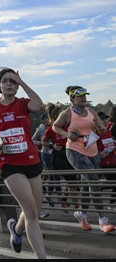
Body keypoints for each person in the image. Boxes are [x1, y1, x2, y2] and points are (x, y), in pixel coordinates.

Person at [0, 69, 47, 258]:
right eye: (6, 81)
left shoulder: (23, 104)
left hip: (31, 159)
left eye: (13, 82)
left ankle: (16, 231)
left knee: (35, 211)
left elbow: (39, 105)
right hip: (9, 163)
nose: (10, 84)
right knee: (32, 214)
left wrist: (22, 81)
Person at [52, 86, 114, 233]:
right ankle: (103, 221)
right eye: (80, 96)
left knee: (87, 184)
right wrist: (67, 134)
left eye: (85, 96)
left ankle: (81, 214)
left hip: (92, 150)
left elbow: (103, 130)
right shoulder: (67, 113)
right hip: (75, 150)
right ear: (72, 98)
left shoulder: (91, 111)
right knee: (93, 180)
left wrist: (101, 127)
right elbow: (55, 126)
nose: (83, 98)